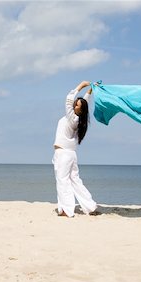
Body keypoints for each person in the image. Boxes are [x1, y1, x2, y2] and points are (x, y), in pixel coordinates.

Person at [52, 80, 97, 217]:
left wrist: (80, 86)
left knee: (62, 181)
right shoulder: (78, 118)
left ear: (79, 110)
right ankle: (90, 206)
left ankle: (66, 209)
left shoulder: (73, 118)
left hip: (63, 154)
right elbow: (84, 102)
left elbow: (68, 99)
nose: (74, 104)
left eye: (77, 104)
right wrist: (90, 91)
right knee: (75, 181)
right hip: (70, 154)